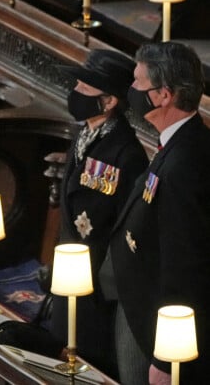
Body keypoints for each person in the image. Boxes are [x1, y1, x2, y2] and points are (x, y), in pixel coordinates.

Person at [108, 41, 210, 384]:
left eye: (138, 84)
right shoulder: (180, 143)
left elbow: (183, 265)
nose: (132, 91)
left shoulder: (186, 161)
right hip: (141, 310)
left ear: (163, 95)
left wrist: (166, 359)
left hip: (157, 328)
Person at [49, 49, 148, 377]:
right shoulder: (84, 136)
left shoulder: (127, 155)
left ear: (109, 102)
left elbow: (125, 231)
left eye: (85, 89)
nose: (75, 93)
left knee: (87, 366)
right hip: (69, 276)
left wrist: (101, 284)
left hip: (94, 289)